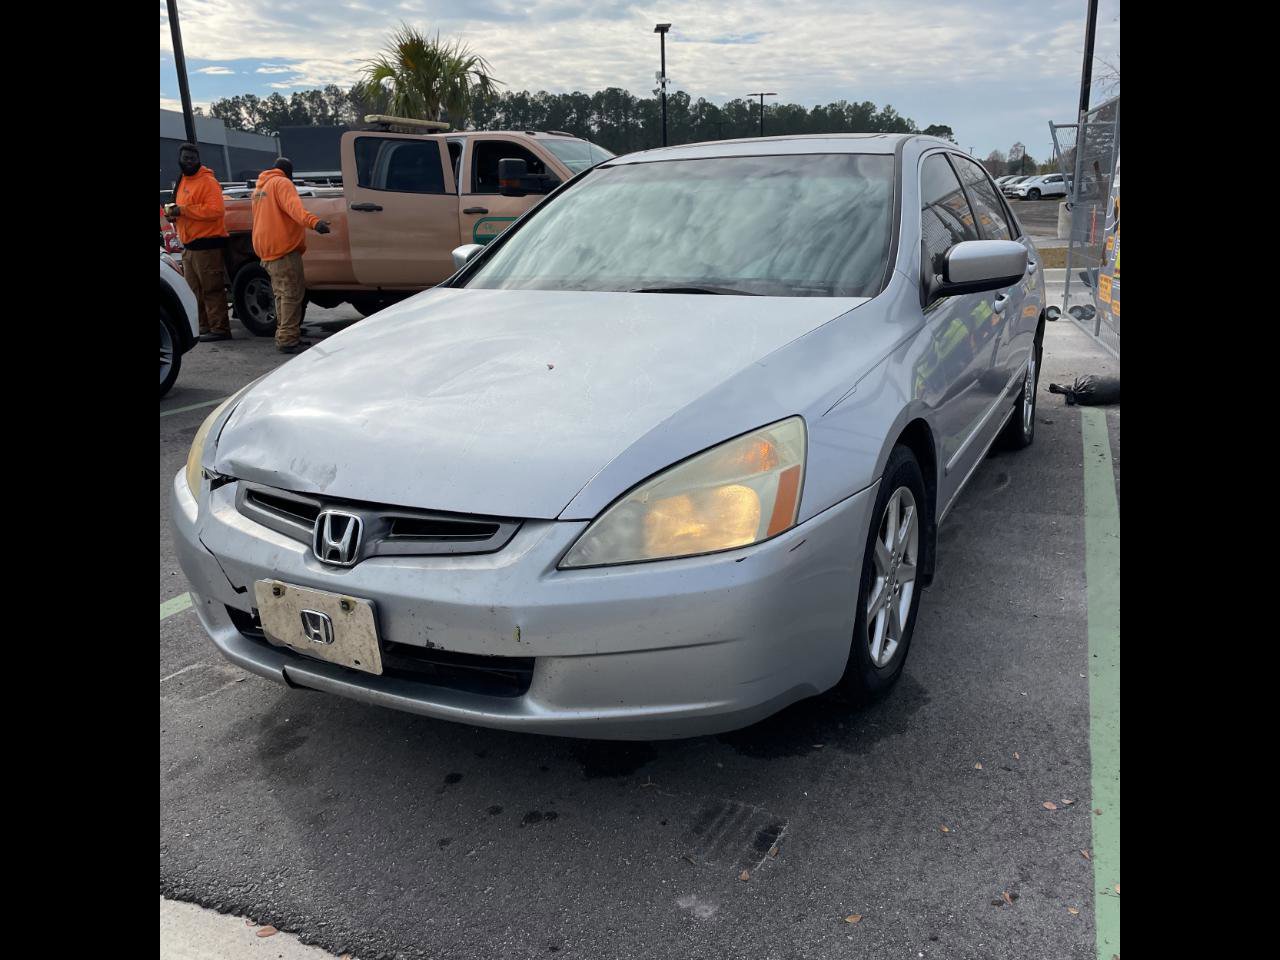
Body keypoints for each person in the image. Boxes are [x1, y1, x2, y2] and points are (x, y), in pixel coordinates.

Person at [250, 157, 331, 354]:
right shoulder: (282, 183)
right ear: (289, 173)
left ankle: (284, 335)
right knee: (291, 294)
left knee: (281, 295)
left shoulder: (260, 188)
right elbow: (295, 209)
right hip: (283, 249)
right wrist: (315, 223)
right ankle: (288, 339)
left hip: (266, 249)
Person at [166, 143, 233, 342]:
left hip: (207, 245)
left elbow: (216, 211)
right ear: (179, 159)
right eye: (185, 158)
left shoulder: (208, 181)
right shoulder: (182, 180)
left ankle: (220, 329)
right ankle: (203, 326)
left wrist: (183, 211)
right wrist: (174, 215)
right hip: (188, 247)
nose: (189, 162)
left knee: (211, 289)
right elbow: (182, 208)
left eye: (192, 158)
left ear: (198, 160)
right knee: (194, 291)